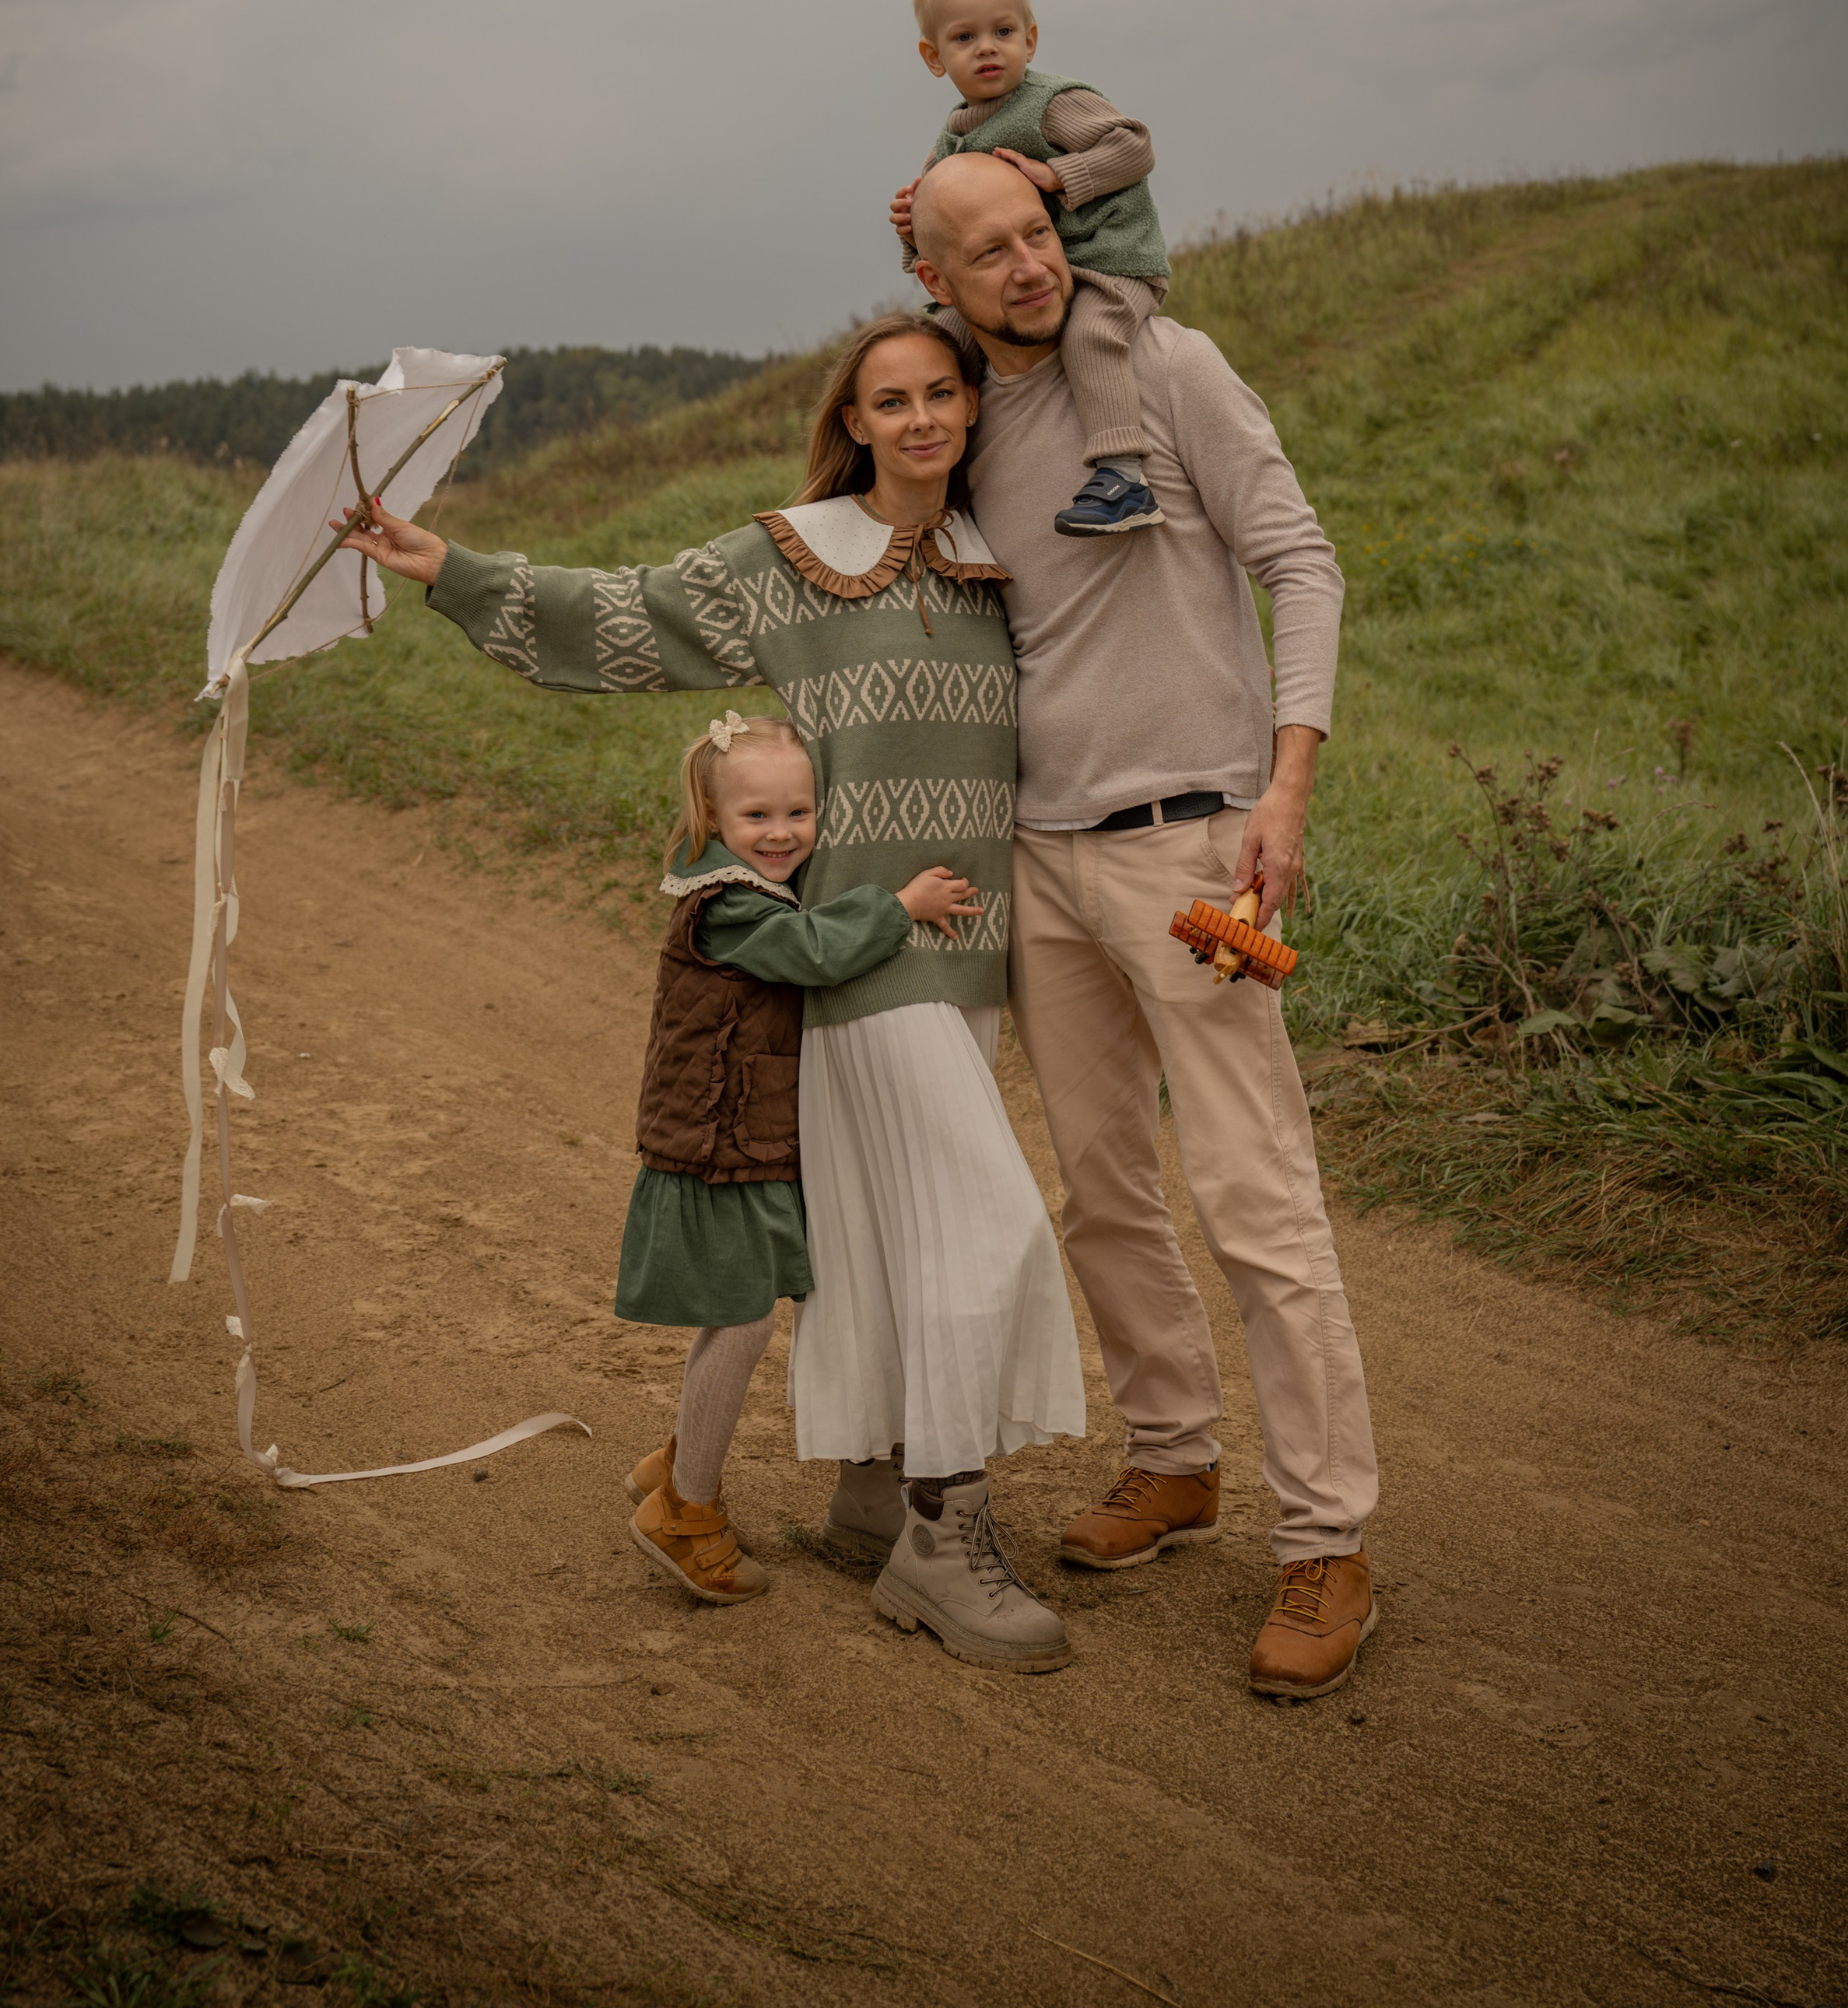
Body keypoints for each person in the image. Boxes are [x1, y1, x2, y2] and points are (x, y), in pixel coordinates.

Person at [340, 313, 1086, 1674]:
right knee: (988, 1229)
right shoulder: (791, 564)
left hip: (973, 961)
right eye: (889, 400)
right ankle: (943, 1530)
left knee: (883, 1232)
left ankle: (871, 1491)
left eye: (941, 394)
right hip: (861, 959)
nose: (920, 417)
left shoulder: (1005, 561)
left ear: (969, 411)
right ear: (851, 422)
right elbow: (623, 617)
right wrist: (447, 566)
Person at [907, 149, 1381, 1701]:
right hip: (1035, 859)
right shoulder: (963, 422)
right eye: (984, 254)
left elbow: (1298, 563)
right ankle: (1173, 1459)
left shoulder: (1166, 366)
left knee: (1256, 1200)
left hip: (1190, 843)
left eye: (1034, 236)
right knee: (1100, 1187)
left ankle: (1325, 1538)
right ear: (936, 282)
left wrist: (1285, 788)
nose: (1024, 268)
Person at [616, 708, 976, 1607]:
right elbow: (813, 953)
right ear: (710, 820)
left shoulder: (749, 882)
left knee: (743, 1313)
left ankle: (675, 1462)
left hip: (739, 1138)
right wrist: (900, 906)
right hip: (717, 1146)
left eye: (797, 814)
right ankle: (686, 1509)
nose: (780, 835)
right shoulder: (728, 905)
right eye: (756, 819)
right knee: (740, 1320)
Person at [889, 0, 1171, 541]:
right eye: (965, 37)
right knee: (941, 342)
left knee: (1090, 336)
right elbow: (945, 227)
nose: (988, 48)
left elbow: (1135, 146)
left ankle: (1124, 477)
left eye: (1003, 31)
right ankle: (935, 483)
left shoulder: (1053, 104)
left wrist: (1062, 177)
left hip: (1111, 257)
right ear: (934, 57)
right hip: (1042, 271)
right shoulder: (954, 135)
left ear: (1031, 39)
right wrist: (909, 227)